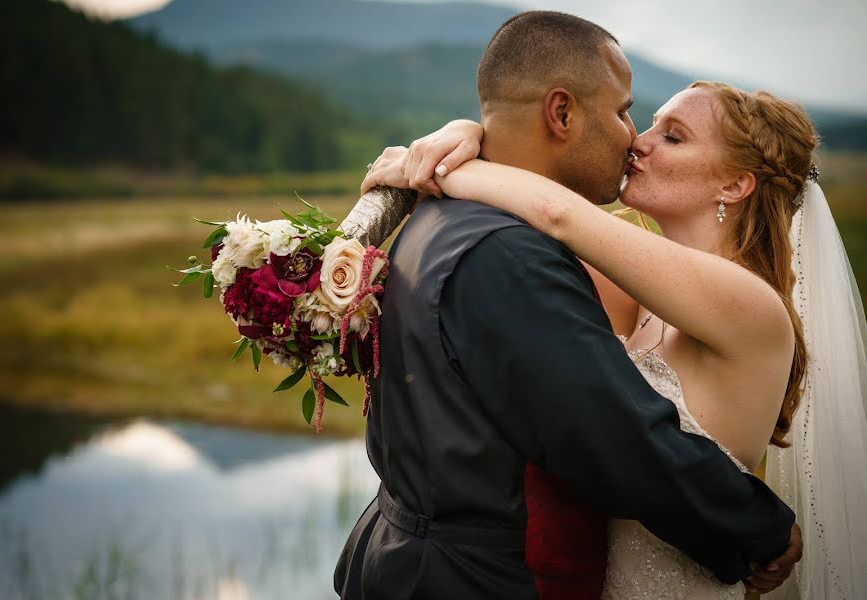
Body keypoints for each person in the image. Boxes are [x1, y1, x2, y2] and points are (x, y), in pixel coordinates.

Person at [334, 12, 805, 599]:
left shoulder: (748, 305)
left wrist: (455, 160)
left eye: (672, 136)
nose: (637, 141)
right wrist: (471, 136)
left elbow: (556, 214)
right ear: (561, 112)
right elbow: (604, 424)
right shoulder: (614, 281)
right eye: (636, 117)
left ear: (735, 185)